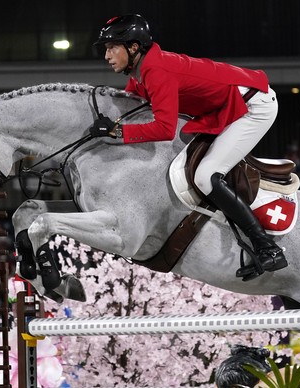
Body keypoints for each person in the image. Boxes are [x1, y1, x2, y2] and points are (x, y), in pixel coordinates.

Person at [93, 14, 287, 279]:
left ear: (134, 47)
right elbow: (130, 105)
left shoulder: (155, 71)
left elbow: (163, 128)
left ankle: (268, 248)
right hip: (228, 106)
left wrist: (118, 132)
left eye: (112, 47)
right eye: (106, 48)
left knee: (206, 175)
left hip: (253, 107)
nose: (107, 55)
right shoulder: (141, 72)